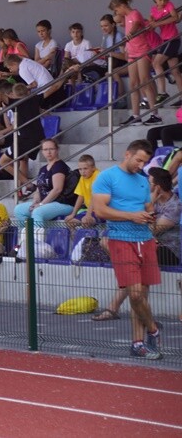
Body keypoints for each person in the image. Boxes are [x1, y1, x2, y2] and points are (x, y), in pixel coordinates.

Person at [92, 139, 163, 360]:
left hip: (145, 240)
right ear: (127, 154)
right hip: (121, 240)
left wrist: (149, 217)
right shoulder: (107, 177)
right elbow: (100, 211)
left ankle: (138, 343)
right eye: (139, 160)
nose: (141, 166)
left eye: (145, 162)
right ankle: (153, 330)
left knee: (141, 296)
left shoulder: (142, 181)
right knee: (135, 294)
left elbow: (148, 208)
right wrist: (132, 216)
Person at [108, 0, 161, 125]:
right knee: (133, 84)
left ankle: (155, 114)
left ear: (122, 6)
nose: (117, 13)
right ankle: (136, 116)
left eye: (116, 10)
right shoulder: (126, 17)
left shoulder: (134, 13)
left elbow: (137, 23)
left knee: (145, 82)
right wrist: (127, 47)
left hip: (142, 51)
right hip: (132, 53)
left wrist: (131, 33)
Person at [13, 139, 76, 232]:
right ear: (42, 151)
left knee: (37, 212)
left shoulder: (59, 166)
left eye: (51, 149)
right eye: (45, 149)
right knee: (19, 210)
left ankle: (37, 239)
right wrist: (35, 202)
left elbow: (57, 189)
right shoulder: (43, 169)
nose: (48, 152)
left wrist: (41, 204)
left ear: (57, 150)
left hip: (63, 203)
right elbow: (39, 189)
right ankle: (28, 236)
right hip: (47, 203)